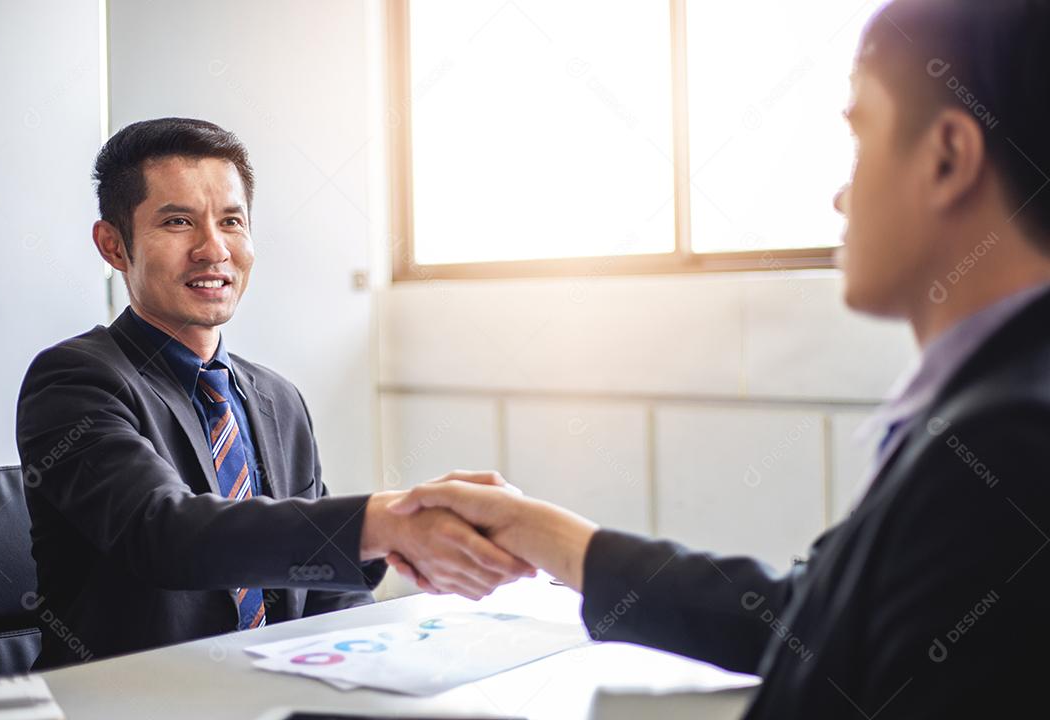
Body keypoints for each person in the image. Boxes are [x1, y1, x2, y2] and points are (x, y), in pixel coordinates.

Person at [386, 1, 1050, 716]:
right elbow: (804, 622)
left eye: (860, 140)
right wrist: (547, 537)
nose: (839, 193)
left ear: (948, 157)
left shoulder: (1006, 446)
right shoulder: (985, 409)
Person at [15, 118, 533, 670]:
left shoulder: (277, 399)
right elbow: (164, 535)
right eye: (177, 221)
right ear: (113, 246)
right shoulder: (73, 379)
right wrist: (388, 521)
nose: (213, 249)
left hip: (276, 694)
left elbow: (329, 594)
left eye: (232, 221)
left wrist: (376, 666)